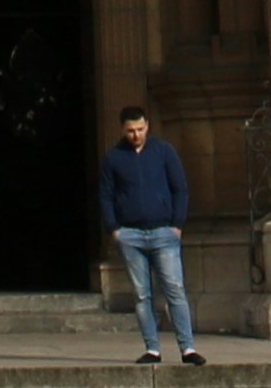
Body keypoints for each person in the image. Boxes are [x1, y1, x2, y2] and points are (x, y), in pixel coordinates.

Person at [101, 105, 199, 363]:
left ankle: (187, 348)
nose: (136, 135)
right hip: (130, 234)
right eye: (131, 130)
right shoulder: (113, 158)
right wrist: (114, 229)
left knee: (175, 289)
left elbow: (180, 188)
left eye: (140, 129)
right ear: (123, 130)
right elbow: (106, 196)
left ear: (148, 126)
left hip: (163, 231)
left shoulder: (164, 152)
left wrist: (177, 224)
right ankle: (152, 348)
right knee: (142, 294)